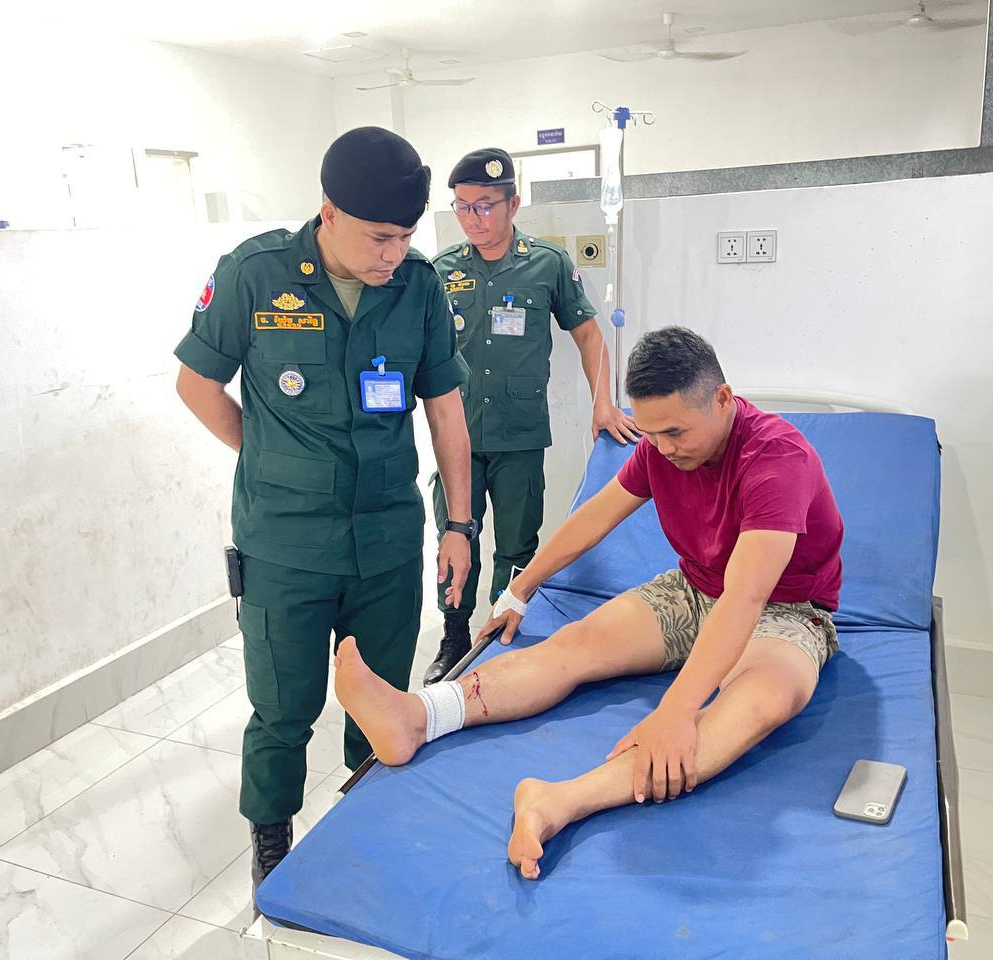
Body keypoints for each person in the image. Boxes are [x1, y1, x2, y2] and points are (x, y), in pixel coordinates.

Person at [333, 326, 844, 880]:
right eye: (652, 434)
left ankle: (558, 801)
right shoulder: (660, 449)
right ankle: (418, 716)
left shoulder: (776, 457)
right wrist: (520, 588)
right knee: (575, 643)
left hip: (786, 610)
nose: (664, 448)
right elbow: (593, 519)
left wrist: (675, 711)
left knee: (763, 701)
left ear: (722, 399)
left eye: (676, 431)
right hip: (695, 589)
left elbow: (746, 597)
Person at [173, 127, 476, 892]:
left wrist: (460, 525)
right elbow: (196, 384)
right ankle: (271, 839)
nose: (393, 254)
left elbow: (445, 411)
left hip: (385, 542)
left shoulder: (419, 285)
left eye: (406, 237)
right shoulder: (255, 274)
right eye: (379, 237)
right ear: (329, 213)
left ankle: (366, 829)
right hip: (284, 548)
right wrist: (267, 457)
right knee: (283, 710)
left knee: (379, 702)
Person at [423, 147, 640, 684]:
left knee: (517, 544)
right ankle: (454, 636)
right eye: (463, 207)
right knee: (455, 539)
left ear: (513, 203)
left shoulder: (547, 263)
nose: (473, 218)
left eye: (485, 206)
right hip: (457, 438)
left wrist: (603, 403)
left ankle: (499, 632)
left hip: (519, 435)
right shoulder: (440, 271)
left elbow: (589, 335)